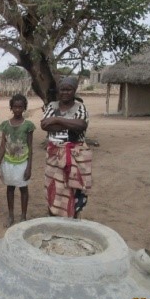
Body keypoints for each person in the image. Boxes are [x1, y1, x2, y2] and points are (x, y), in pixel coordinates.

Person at [40, 76, 92, 219]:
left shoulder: (80, 107)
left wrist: (56, 120)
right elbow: (44, 125)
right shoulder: (52, 106)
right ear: (58, 91)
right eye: (62, 89)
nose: (65, 93)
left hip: (75, 155)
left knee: (73, 189)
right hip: (54, 155)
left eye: (69, 90)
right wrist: (70, 123)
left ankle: (72, 218)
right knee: (54, 187)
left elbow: (81, 126)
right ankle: (54, 216)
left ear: (74, 91)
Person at [0, 94, 35, 227]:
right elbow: (2, 146)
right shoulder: (5, 125)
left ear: (24, 108)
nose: (18, 110)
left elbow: (30, 146)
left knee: (23, 189)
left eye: (20, 107)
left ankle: (23, 216)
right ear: (11, 108)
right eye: (15, 107)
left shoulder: (28, 126)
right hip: (9, 162)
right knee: (10, 188)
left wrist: (29, 166)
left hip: (22, 162)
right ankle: (11, 215)